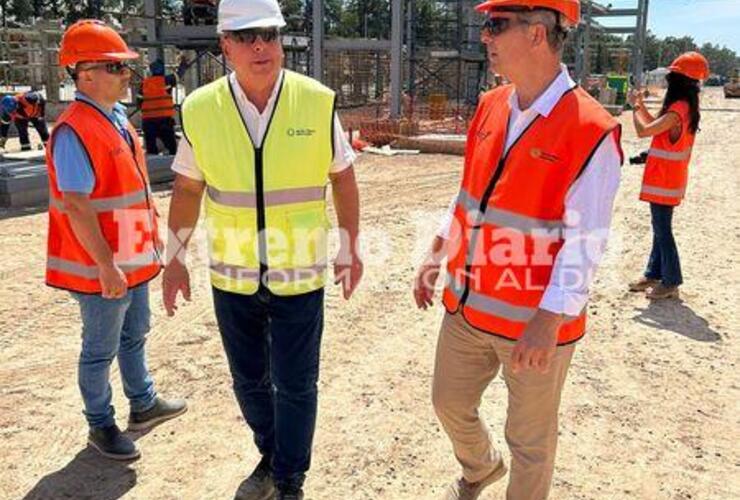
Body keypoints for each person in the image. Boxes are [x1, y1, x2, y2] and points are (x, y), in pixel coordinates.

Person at [413, 1, 623, 499]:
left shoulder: (591, 129)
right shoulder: (491, 105)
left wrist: (548, 321)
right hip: (468, 306)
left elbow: (587, 240)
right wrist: (437, 250)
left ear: (537, 33)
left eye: (495, 25)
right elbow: (468, 193)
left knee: (530, 442)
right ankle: (481, 466)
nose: (484, 36)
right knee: (448, 403)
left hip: (534, 323)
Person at [162, 0, 362, 498]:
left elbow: (343, 177)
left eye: (269, 35)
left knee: (296, 386)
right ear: (225, 44)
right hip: (232, 276)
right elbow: (188, 190)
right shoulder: (202, 109)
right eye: (247, 36)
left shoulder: (315, 101)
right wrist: (174, 258)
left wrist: (350, 247)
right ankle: (272, 455)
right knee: (249, 383)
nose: (260, 46)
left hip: (300, 274)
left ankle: (290, 479)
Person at [45, 19, 186, 461]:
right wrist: (106, 266)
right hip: (101, 266)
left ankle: (142, 403)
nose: (128, 75)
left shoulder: (117, 118)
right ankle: (100, 424)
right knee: (100, 348)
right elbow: (77, 205)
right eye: (116, 68)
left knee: (135, 334)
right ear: (85, 73)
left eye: (125, 67)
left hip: (134, 256)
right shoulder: (74, 129)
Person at [627, 51, 709, 300]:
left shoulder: (678, 110)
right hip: (667, 180)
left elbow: (644, 131)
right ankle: (653, 273)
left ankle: (671, 280)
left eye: (672, 76)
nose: (667, 79)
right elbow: (656, 125)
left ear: (679, 81)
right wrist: (641, 105)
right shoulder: (682, 108)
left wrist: (632, 109)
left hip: (665, 181)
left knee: (663, 230)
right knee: (659, 228)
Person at [138, 58, 179, 155]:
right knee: (171, 146)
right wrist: (183, 64)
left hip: (149, 120)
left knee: (151, 147)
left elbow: (139, 100)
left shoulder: (144, 83)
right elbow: (178, 76)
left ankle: (153, 164)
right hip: (164, 119)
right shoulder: (167, 80)